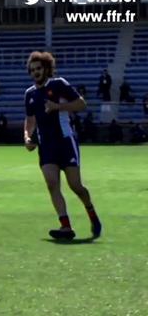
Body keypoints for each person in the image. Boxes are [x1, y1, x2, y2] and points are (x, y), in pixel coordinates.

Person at [23, 51, 102, 241]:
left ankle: (92, 214)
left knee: (76, 186)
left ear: (46, 68)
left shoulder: (59, 85)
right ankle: (65, 226)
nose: (36, 72)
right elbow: (30, 119)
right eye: (32, 70)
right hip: (46, 145)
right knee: (52, 184)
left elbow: (81, 104)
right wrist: (27, 137)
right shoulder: (30, 94)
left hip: (66, 141)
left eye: (39, 68)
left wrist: (58, 107)